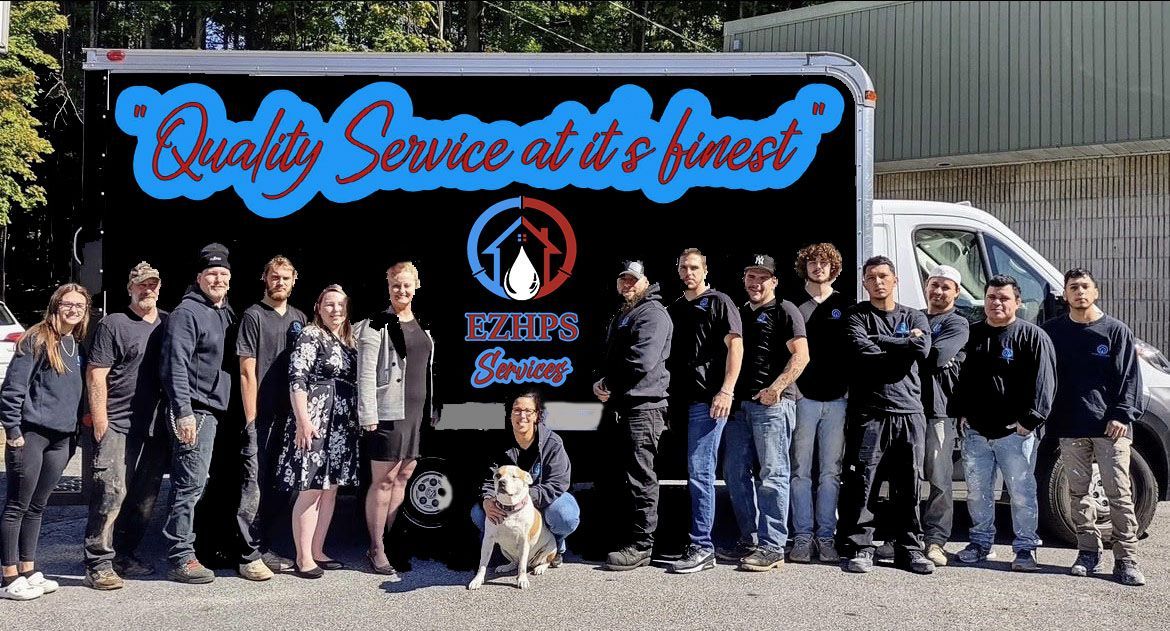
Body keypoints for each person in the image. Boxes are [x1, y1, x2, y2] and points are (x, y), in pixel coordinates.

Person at [1043, 268, 1145, 586]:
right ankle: (1087, 552)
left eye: (1085, 286)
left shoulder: (1115, 331)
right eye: (1073, 287)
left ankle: (1126, 559)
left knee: (1119, 494)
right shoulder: (1053, 332)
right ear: (1065, 295)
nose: (1079, 292)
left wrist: (1122, 415)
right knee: (1078, 495)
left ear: (1096, 292)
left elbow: (1130, 378)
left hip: (1110, 428)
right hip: (1070, 426)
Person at [952, 275, 1056, 572]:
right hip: (976, 434)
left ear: (1017, 303)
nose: (997, 303)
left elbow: (1045, 384)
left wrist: (1029, 422)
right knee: (977, 492)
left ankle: (1025, 549)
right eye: (991, 298)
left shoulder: (1033, 336)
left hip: (1017, 434)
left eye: (1004, 298)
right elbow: (961, 379)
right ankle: (980, 543)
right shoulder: (972, 335)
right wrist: (962, 413)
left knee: (1022, 493)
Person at [838, 256, 933, 575]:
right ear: (864, 283)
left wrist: (885, 342)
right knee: (863, 481)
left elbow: (922, 351)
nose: (877, 282)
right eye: (871, 277)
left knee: (909, 484)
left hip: (909, 412)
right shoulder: (856, 316)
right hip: (870, 413)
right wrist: (904, 343)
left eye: (883, 276)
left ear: (895, 280)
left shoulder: (914, 314)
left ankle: (910, 548)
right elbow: (861, 352)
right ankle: (861, 546)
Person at [160, 243, 245, 584]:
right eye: (212, 273)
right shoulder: (187, 313)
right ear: (199, 278)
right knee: (189, 484)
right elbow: (175, 365)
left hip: (215, 409)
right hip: (195, 408)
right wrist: (183, 413)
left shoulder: (224, 310)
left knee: (200, 482)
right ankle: (180, 556)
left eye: (223, 273)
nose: (218, 278)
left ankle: (197, 547)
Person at [83, 263, 170, 590]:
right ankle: (97, 563)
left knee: (145, 499)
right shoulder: (113, 324)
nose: (147, 290)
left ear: (159, 287)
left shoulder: (168, 322)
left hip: (154, 426)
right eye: (141, 285)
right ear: (130, 288)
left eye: (153, 285)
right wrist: (101, 423)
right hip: (118, 423)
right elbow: (96, 374)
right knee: (110, 494)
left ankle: (124, 555)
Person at [1, 283, 91, 601]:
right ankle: (8, 576)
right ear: (55, 305)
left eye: (79, 306)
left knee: (38, 506)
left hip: (62, 438)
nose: (73, 310)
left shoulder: (74, 343)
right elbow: (13, 389)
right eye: (68, 304)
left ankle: (28, 570)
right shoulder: (37, 338)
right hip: (31, 436)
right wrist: (13, 433)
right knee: (17, 506)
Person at [722, 255, 808, 572]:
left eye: (762, 277)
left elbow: (801, 357)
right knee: (733, 474)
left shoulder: (786, 310)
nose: (755, 283)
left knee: (773, 476)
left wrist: (776, 388)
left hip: (773, 405)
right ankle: (750, 539)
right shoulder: (740, 313)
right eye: (750, 277)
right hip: (740, 407)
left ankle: (773, 547)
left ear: (774, 281)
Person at [357, 261, 437, 580]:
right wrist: (368, 415)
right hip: (387, 414)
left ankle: (391, 540)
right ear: (388, 287)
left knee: (403, 476)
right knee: (384, 480)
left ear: (417, 285)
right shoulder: (376, 323)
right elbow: (364, 375)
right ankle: (376, 548)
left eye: (406, 284)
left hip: (416, 414)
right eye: (395, 285)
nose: (401, 290)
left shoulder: (424, 323)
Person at [275, 285, 360, 579]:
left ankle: (319, 550)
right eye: (329, 305)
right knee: (311, 488)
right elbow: (297, 377)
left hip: (341, 427)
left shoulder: (348, 341)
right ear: (318, 307)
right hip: (316, 420)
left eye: (340, 305)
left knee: (330, 490)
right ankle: (303, 557)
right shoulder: (311, 334)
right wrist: (303, 420)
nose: (335, 310)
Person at [666, 249, 742, 574]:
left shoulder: (720, 302)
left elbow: (735, 346)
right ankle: (692, 541)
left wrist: (726, 390)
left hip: (709, 402)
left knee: (700, 473)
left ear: (705, 269)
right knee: (691, 472)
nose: (688, 272)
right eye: (683, 267)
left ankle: (702, 547)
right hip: (679, 402)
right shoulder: (673, 309)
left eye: (694, 267)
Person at [593, 260, 672, 571]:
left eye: (633, 280)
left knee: (641, 478)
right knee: (621, 478)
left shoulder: (652, 313)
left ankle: (642, 546)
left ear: (645, 282)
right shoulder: (628, 312)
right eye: (622, 279)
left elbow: (642, 361)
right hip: (624, 407)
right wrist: (603, 382)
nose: (627, 284)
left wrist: (609, 384)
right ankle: (622, 538)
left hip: (645, 409)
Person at [236, 255, 307, 573]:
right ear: (264, 279)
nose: (280, 282)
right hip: (260, 417)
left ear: (294, 281)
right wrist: (250, 420)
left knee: (282, 485)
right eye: (274, 277)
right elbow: (246, 371)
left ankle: (266, 547)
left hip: (289, 418)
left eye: (285, 278)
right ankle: (248, 555)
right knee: (254, 485)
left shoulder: (300, 318)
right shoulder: (253, 316)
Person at [787, 242, 853, 564]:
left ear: (834, 268)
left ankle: (826, 538)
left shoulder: (846, 305)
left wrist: (848, 392)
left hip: (837, 401)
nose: (818, 267)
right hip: (804, 400)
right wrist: (794, 389)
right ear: (805, 267)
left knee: (830, 472)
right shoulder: (792, 304)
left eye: (824, 263)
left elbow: (854, 354)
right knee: (800, 472)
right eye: (812, 262)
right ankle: (801, 537)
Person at [471, 388, 579, 566]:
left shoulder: (553, 443)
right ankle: (510, 550)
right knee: (478, 513)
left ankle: (555, 548)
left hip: (542, 503)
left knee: (564, 515)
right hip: (507, 503)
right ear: (510, 414)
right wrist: (487, 499)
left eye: (528, 411)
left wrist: (527, 499)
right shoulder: (496, 443)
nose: (522, 416)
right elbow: (486, 479)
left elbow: (558, 483)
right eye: (517, 410)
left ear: (537, 415)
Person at [918, 265, 969, 567]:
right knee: (907, 479)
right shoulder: (913, 317)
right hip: (909, 409)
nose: (938, 291)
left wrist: (909, 346)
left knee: (939, 480)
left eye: (945, 287)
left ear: (957, 292)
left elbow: (937, 356)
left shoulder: (958, 323)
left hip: (940, 412)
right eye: (934, 285)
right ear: (926, 285)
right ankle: (907, 537)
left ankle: (935, 540)